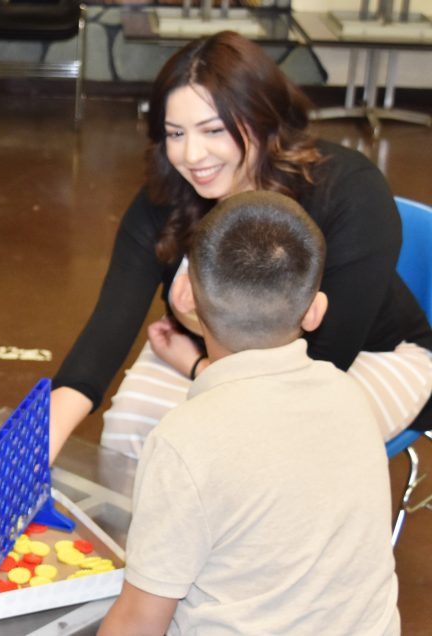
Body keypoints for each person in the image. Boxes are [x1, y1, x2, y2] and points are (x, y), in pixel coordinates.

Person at [50, 30, 432, 461]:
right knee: (132, 432)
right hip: (214, 341)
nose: (192, 155)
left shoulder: (348, 192)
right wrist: (35, 447)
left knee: (264, 458)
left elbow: (322, 365)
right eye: (175, 134)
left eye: (213, 130)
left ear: (262, 116)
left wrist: (200, 371)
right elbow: (107, 330)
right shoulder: (170, 195)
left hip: (363, 356)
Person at [99, 191, 400, 635]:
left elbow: (140, 621)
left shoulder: (184, 440)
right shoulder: (351, 397)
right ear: (315, 312)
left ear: (193, 309)